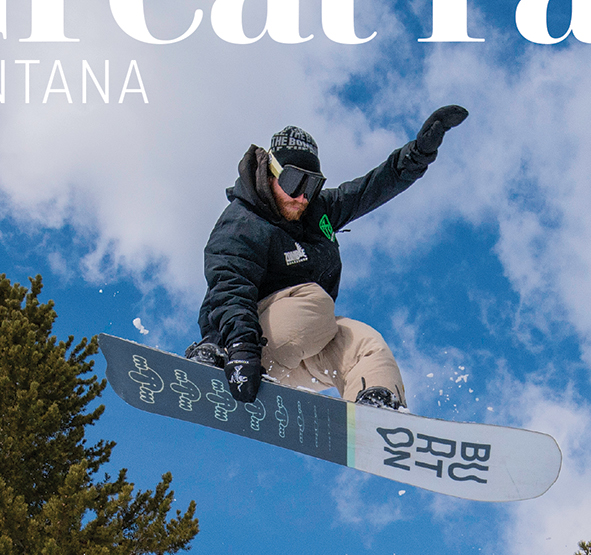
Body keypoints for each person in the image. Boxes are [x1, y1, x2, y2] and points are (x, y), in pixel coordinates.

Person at [190, 107, 468, 406]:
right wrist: (241, 348)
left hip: (297, 343)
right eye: (293, 182)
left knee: (365, 343)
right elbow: (229, 288)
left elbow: (372, 187)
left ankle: (376, 411)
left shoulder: (317, 211)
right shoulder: (244, 222)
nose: (302, 197)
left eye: (311, 185)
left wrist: (418, 154)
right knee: (316, 304)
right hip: (242, 342)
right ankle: (217, 356)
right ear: (270, 173)